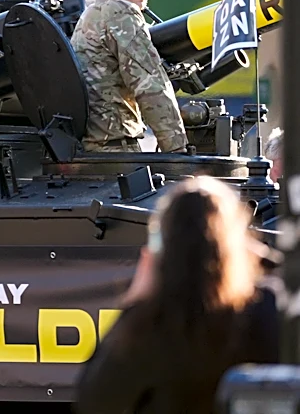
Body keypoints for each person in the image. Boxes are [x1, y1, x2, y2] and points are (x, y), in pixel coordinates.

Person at [75, 177, 280, 414]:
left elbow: (94, 400)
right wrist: (266, 258)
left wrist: (133, 303)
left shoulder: (148, 326)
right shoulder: (265, 308)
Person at [70, 0, 188, 153]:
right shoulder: (120, 11)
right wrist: (177, 150)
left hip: (91, 144)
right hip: (113, 148)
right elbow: (149, 83)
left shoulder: (93, 12)